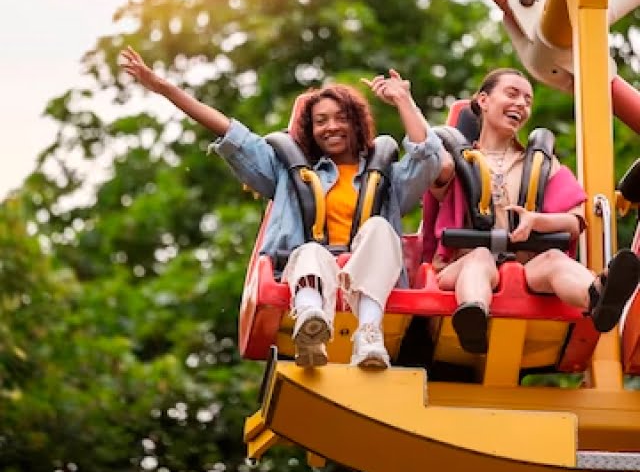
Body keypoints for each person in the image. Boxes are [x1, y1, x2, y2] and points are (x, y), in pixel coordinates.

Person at [120, 46, 453, 369]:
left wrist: (402, 99)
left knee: (381, 228)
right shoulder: (286, 173)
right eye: (321, 121)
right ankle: (310, 323)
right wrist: (162, 88)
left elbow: (427, 155)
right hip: (309, 270)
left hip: (369, 279)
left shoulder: (388, 179)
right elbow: (231, 133)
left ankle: (368, 333)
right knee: (308, 251)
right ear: (310, 130)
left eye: (340, 118)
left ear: (357, 123)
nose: (331, 126)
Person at [427, 67, 640, 354]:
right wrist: (404, 103)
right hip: (462, 266)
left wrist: (537, 220)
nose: (521, 104)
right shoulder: (456, 162)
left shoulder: (542, 164)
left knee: (553, 258)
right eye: (512, 94)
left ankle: (599, 296)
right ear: (483, 100)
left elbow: (575, 222)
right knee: (479, 258)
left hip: (525, 268)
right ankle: (473, 316)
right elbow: (424, 151)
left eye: (527, 100)